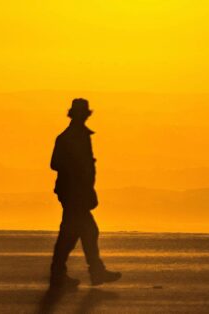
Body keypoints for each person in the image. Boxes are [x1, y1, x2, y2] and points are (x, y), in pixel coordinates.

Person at [49, 98, 121, 291]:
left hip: (76, 193)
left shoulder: (79, 135)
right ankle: (93, 271)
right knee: (84, 231)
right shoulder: (68, 137)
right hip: (73, 194)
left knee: (73, 234)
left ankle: (62, 275)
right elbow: (55, 163)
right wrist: (75, 171)